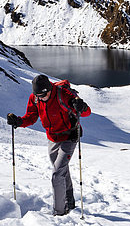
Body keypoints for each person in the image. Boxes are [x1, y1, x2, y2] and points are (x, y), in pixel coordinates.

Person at [7, 74, 91, 216]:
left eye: (43, 95)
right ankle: (69, 201)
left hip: (69, 136)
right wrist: (19, 122)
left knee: (57, 174)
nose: (40, 98)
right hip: (52, 138)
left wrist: (81, 106)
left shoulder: (63, 94)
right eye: (38, 95)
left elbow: (87, 112)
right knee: (61, 170)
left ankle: (59, 212)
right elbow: (31, 117)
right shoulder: (35, 98)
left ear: (50, 89)